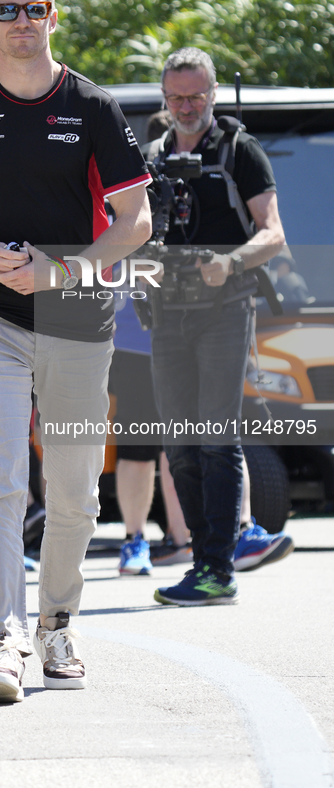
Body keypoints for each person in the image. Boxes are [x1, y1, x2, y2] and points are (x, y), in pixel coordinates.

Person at [0, 0, 152, 703]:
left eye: (34, 10)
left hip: (77, 313)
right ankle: (4, 639)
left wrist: (59, 270)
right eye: (7, 11)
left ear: (54, 15)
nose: (22, 22)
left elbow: (133, 222)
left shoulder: (92, 107)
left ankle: (55, 621)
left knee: (76, 492)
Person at [146, 47, 288, 606]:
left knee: (215, 436)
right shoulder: (153, 152)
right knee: (179, 444)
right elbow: (133, 226)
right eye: (176, 97)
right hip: (166, 313)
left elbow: (273, 232)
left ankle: (217, 568)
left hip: (225, 309)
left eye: (196, 96)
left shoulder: (239, 150)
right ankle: (202, 563)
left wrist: (228, 262)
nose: (186, 106)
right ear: (165, 97)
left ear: (213, 94)